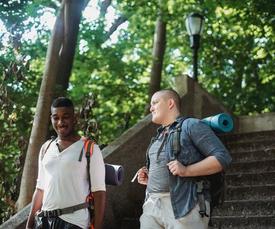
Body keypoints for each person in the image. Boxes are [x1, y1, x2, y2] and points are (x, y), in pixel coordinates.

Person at [137, 89, 232, 229]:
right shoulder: (157, 137)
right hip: (151, 206)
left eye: (155, 103)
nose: (151, 108)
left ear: (170, 103)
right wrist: (150, 179)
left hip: (186, 205)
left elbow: (222, 158)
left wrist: (186, 170)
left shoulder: (192, 125)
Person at [26, 97, 106, 229]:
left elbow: (99, 193)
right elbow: (40, 189)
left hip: (74, 222)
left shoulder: (90, 148)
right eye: (56, 118)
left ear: (74, 118)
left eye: (66, 117)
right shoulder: (46, 148)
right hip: (43, 222)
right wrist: (29, 225)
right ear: (51, 119)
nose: (60, 122)